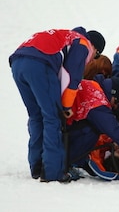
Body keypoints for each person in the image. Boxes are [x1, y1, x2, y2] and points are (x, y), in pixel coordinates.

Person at [9, 27, 106, 182]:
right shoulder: (83, 44)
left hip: (18, 62)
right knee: (53, 118)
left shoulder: (66, 36)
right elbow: (72, 77)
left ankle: (37, 166)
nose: (92, 59)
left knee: (36, 116)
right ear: (94, 47)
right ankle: (53, 173)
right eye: (96, 55)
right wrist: (66, 106)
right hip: (40, 63)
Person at [66, 74, 119, 181]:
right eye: (116, 102)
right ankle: (66, 163)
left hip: (55, 123)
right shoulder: (97, 102)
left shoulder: (93, 86)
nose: (114, 106)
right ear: (113, 95)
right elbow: (115, 131)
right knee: (91, 131)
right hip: (59, 130)